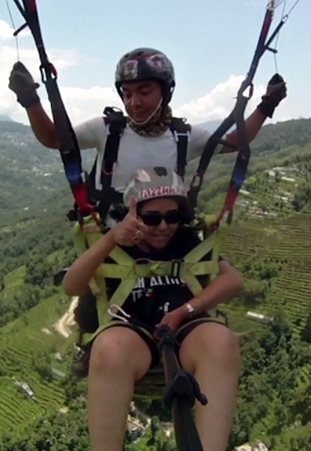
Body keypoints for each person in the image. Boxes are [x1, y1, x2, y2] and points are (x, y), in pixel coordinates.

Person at [8, 47, 285, 375]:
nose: (134, 102)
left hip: (166, 236)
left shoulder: (182, 136)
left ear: (165, 92)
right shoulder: (107, 130)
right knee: (92, 305)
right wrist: (30, 100)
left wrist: (266, 106)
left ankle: (188, 337)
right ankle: (98, 340)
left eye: (144, 91)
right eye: (127, 93)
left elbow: (233, 142)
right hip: (115, 238)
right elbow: (55, 138)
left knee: (185, 289)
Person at [61, 166, 244, 451]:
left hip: (186, 327)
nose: (163, 226)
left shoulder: (186, 241)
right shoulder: (115, 244)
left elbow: (233, 279)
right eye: (151, 218)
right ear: (132, 215)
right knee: (109, 348)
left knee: (222, 342)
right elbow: (72, 286)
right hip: (132, 328)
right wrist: (111, 238)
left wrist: (187, 310)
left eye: (172, 217)